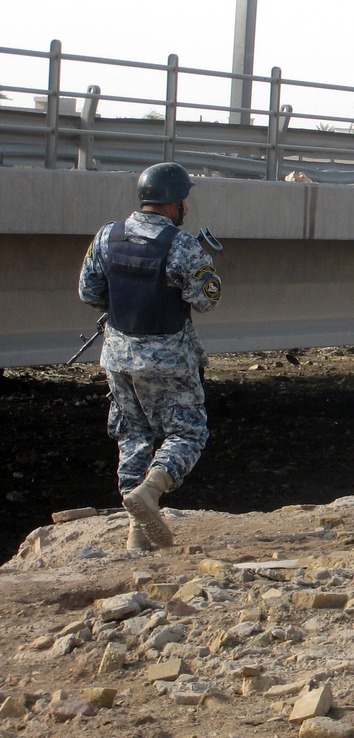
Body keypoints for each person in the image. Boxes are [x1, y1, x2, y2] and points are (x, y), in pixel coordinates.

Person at [78, 162, 222, 550]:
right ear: (174, 202)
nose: (187, 206)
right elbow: (206, 300)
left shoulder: (107, 236)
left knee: (133, 436)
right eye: (185, 199)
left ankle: (136, 534)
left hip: (117, 355)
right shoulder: (182, 245)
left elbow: (89, 292)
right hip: (167, 358)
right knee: (188, 432)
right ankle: (152, 489)